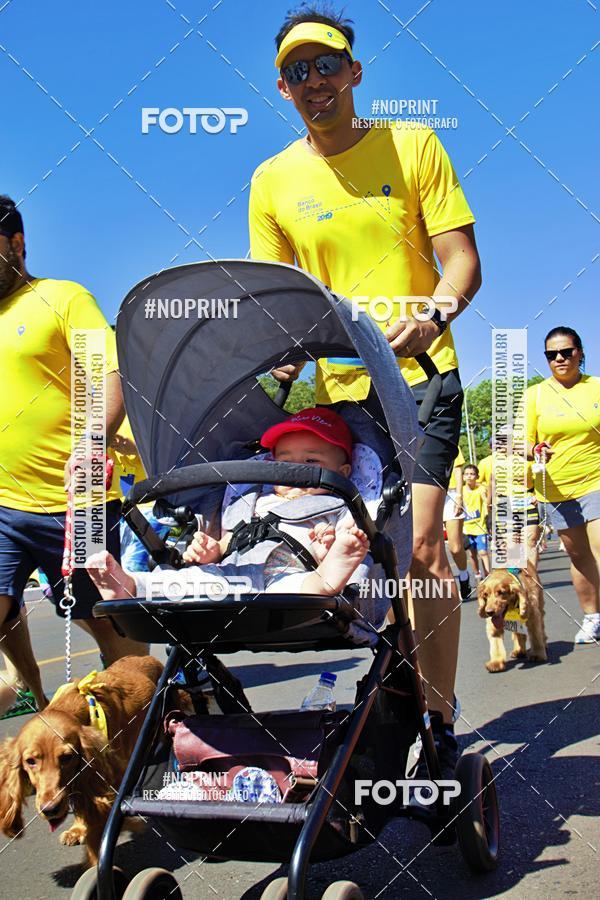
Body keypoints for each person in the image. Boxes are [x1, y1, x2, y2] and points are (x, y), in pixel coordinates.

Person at [248, 6, 482, 773]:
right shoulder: (272, 180)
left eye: (326, 65)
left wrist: (433, 315)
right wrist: (279, 360)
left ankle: (441, 730)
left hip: (419, 379)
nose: (314, 81)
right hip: (342, 399)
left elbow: (461, 264)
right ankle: (395, 694)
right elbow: (282, 300)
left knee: (418, 547)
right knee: (362, 553)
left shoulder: (411, 143)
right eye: (297, 72)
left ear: (354, 71)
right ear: (282, 88)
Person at [0, 195, 148, 687]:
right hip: (4, 504)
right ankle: (32, 692)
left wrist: (94, 439)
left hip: (78, 505)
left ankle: (148, 725)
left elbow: (110, 369)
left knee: (111, 629)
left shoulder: (62, 298)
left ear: (16, 244)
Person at [86, 407, 370, 602]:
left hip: (292, 575)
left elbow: (351, 534)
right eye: (284, 462)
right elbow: (231, 540)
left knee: (301, 587)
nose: (294, 472)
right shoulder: (256, 499)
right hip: (235, 575)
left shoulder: (338, 502)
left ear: (342, 473)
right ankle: (131, 586)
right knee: (192, 579)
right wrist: (213, 551)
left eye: (311, 462)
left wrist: (329, 547)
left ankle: (326, 580)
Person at [526, 326, 600, 644]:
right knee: (579, 556)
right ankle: (593, 616)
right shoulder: (536, 395)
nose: (559, 358)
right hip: (555, 490)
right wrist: (536, 450)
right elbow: (525, 443)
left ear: (579, 353)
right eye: (551, 354)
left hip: (595, 479)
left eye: (566, 352)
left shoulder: (595, 388)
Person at [443, 447, 471, 599]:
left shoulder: (448, 437)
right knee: (432, 547)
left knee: (455, 547)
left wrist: (459, 496)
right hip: (427, 492)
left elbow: (458, 470)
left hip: (451, 495)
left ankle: (464, 576)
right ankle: (445, 586)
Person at [462, 464, 490, 578]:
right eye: (467, 474)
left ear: (477, 476)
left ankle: (488, 575)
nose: (469, 476)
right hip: (466, 528)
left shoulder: (481, 489)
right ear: (463, 477)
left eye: (472, 474)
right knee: (472, 554)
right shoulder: (461, 491)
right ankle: (477, 574)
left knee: (483, 552)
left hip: (480, 527)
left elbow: (485, 498)